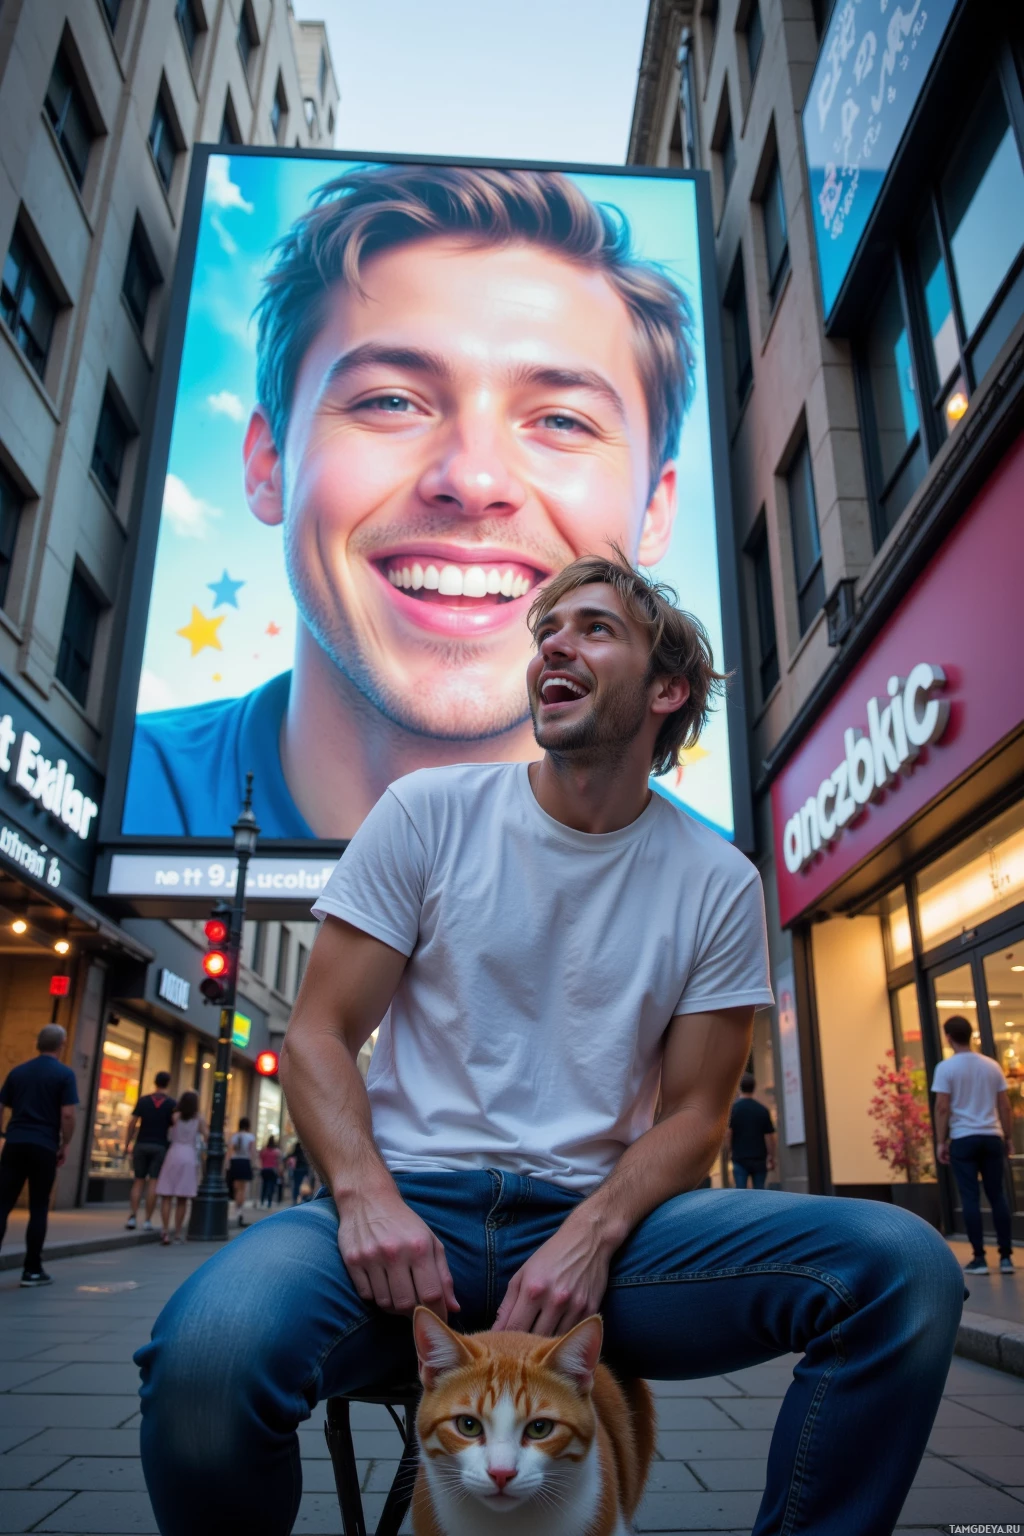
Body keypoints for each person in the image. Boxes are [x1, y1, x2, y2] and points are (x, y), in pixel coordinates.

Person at [136, 551, 964, 1536]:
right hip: (403, 1214)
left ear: (667, 689)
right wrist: (362, 1197)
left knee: (899, 1267)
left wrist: (592, 1232)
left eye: (591, 628)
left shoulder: (716, 879)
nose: (551, 647)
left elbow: (696, 1111)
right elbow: (317, 1032)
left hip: (606, 1238)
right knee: (205, 1363)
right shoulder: (427, 814)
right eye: (545, 632)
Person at [123, 164, 697, 839]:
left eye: (562, 421)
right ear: (268, 464)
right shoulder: (124, 793)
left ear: (656, 511)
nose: (475, 480)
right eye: (391, 401)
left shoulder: (705, 893)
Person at [933, 1013, 1015, 1276]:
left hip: (963, 1138)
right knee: (997, 1195)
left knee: (970, 1197)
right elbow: (1004, 1104)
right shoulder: (992, 1065)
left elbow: (942, 1107)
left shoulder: (946, 1068)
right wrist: (1009, 1137)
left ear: (948, 1037)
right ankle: (1005, 1258)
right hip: (992, 1136)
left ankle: (979, 1258)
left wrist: (940, 1141)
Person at [0, 1024, 78, 1287]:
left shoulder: (18, 1072)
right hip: (44, 1145)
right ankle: (32, 1269)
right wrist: (65, 1144)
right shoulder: (64, 1074)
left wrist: (3, 1134)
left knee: (3, 1203)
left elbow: (1, 1105)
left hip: (15, 1142)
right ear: (62, 1044)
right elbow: (67, 1114)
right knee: (38, 1207)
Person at [124, 1071, 176, 1233]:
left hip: (142, 1144)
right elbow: (174, 1127)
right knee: (153, 1182)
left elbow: (132, 1123)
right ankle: (147, 1220)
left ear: (155, 1082)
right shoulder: (171, 1104)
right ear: (168, 1084)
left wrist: (127, 1144)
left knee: (138, 1181)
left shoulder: (144, 1100)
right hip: (160, 1146)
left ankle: (132, 1217)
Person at [155, 1092, 206, 1246]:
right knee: (182, 1198)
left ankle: (165, 1231)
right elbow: (208, 1135)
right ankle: (177, 1233)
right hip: (189, 1155)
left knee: (167, 1195)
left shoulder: (175, 1117)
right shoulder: (199, 1119)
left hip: (173, 1154)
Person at [726, 1072, 777, 1189]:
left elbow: (729, 1134)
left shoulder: (734, 1110)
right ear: (754, 1088)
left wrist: (729, 1151)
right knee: (760, 1192)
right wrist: (771, 1156)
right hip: (759, 1158)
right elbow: (769, 1137)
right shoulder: (762, 1110)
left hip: (739, 1158)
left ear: (739, 1088)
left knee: (741, 1191)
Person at [226, 1118, 256, 1227]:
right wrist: (254, 1164)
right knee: (242, 1189)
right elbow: (252, 1152)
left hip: (235, 1162)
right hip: (244, 1162)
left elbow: (230, 1150)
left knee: (236, 1188)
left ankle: (236, 1209)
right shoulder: (250, 1137)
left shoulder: (234, 1136)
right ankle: (239, 1211)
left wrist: (227, 1164)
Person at [259, 1136, 281, 1208]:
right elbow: (277, 1162)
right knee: (271, 1187)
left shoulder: (264, 1151)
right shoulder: (276, 1152)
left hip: (265, 1170)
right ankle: (269, 1202)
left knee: (264, 1186)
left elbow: (261, 1160)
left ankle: (262, 1201)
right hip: (272, 1170)